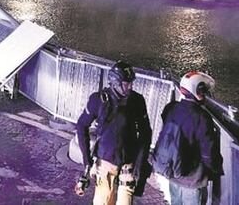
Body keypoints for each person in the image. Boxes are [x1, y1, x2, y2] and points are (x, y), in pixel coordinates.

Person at [75, 61, 153, 205]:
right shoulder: (97, 100)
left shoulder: (137, 101)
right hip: (105, 164)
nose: (129, 87)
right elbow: (81, 126)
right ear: (115, 82)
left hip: (128, 165)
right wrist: (87, 160)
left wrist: (140, 163)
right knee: (103, 202)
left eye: (130, 83)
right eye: (125, 84)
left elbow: (146, 133)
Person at [150, 71, 224, 205]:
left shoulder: (171, 108)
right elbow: (208, 152)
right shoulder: (201, 117)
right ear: (196, 90)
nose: (205, 94)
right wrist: (215, 170)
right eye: (203, 91)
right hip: (193, 180)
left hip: (174, 174)